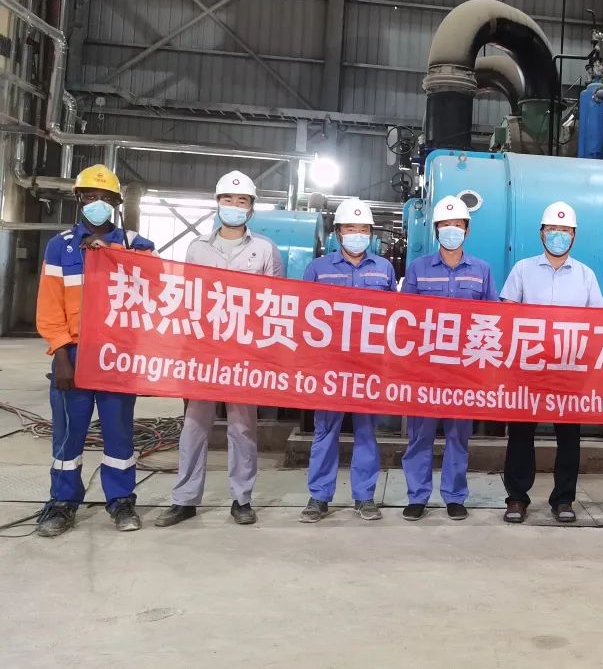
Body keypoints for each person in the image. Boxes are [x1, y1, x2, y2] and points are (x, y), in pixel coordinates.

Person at [157, 170, 285, 528]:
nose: (234, 205)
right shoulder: (197, 248)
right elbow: (187, 298)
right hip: (203, 352)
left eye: (241, 201)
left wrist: (265, 353)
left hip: (244, 354)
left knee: (242, 428)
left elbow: (277, 302)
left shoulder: (265, 250)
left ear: (251, 208)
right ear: (217, 203)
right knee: (194, 426)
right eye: (228, 199)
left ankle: (241, 499)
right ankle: (184, 499)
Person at [34, 165, 156, 537]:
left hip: (118, 357)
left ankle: (121, 501)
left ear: (117, 203)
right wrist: (61, 356)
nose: (97, 203)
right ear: (79, 199)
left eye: (105, 198)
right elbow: (50, 307)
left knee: (119, 433)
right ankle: (62, 503)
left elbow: (153, 287)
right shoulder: (60, 246)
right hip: (72, 356)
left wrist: (112, 252)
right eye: (90, 196)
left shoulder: (136, 245)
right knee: (68, 436)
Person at [500, 201, 603, 524]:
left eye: (565, 230)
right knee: (520, 433)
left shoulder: (586, 276)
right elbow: (506, 314)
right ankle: (517, 498)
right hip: (528, 368)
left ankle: (563, 499)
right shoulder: (522, 270)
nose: (558, 235)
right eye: (552, 229)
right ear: (541, 233)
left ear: (574, 236)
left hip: (569, 369)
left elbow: (599, 323)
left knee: (569, 436)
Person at [399, 195, 498, 521]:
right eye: (445, 225)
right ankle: (417, 496)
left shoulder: (482, 271)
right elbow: (405, 319)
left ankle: (455, 496)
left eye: (457, 225)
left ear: (467, 230)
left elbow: (493, 319)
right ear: (436, 229)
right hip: (425, 369)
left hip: (462, 371)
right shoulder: (418, 269)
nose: (451, 230)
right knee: (420, 437)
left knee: (458, 437)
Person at [298, 199, 396, 523]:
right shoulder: (318, 269)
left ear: (371, 233)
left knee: (366, 430)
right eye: (351, 228)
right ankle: (319, 497)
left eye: (363, 229)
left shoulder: (383, 269)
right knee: (326, 430)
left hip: (368, 365)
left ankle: (364, 496)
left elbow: (395, 316)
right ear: (339, 233)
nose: (357, 234)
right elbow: (303, 315)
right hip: (329, 364)